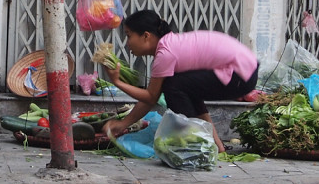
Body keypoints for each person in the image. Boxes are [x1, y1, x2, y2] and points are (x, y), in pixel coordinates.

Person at [101, 9, 258, 152]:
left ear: (146, 36)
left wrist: (118, 82)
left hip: (239, 74)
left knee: (173, 86)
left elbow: (151, 97)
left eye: (129, 35)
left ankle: (194, 145)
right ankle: (216, 146)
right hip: (246, 71)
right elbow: (152, 98)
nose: (127, 43)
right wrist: (123, 124)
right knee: (183, 87)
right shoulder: (170, 45)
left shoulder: (165, 53)